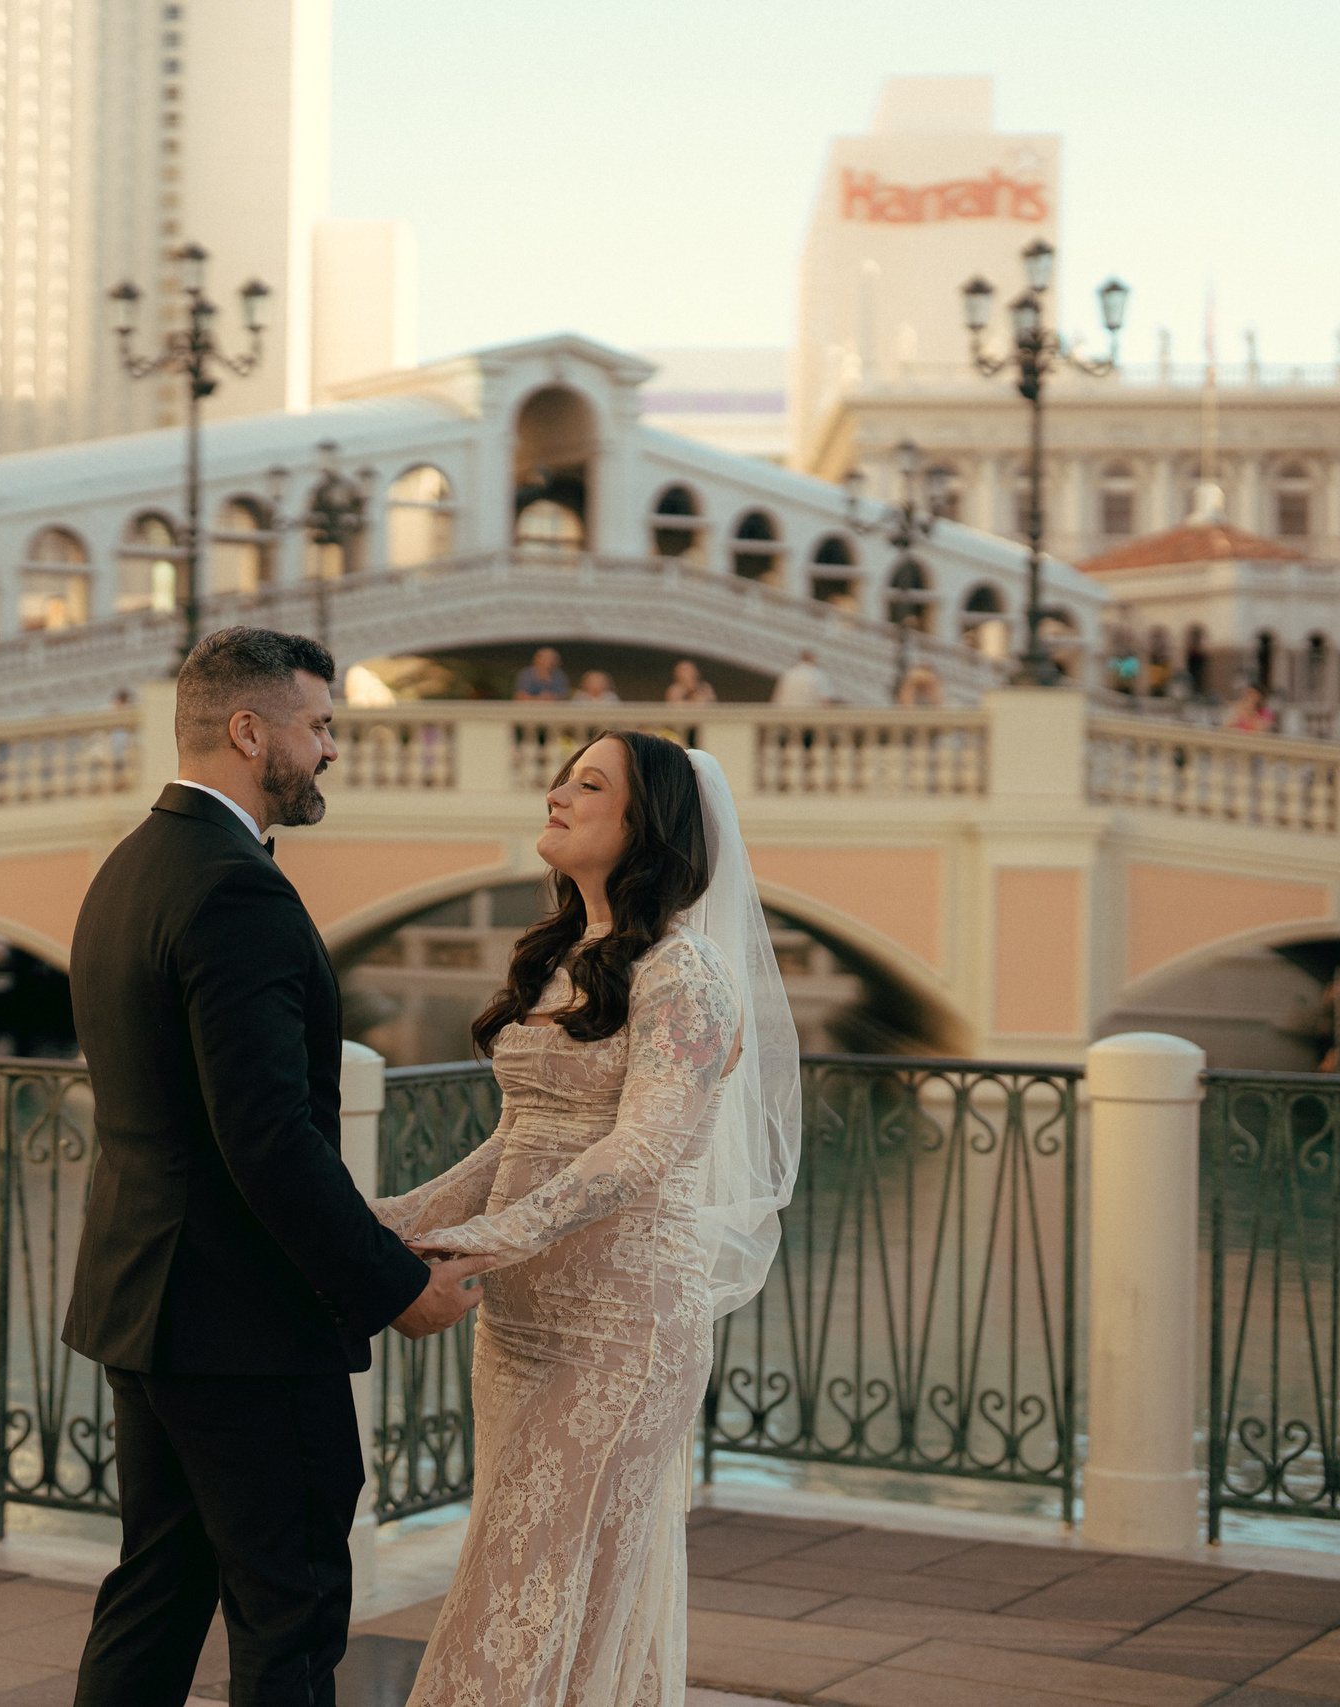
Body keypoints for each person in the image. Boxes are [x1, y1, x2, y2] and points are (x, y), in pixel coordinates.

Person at [64, 627, 488, 1707]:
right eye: (319, 725)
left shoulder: (131, 867)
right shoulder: (233, 888)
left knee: (157, 1592)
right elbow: (265, 1134)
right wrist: (393, 1286)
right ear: (250, 731)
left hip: (145, 1307)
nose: (331, 750)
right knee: (290, 1614)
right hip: (241, 1329)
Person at [374, 728, 800, 1704]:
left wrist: (484, 1239)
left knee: (522, 1579)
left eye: (588, 784)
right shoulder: (567, 956)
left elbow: (643, 1151)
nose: (556, 794)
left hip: (620, 1331)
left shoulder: (684, 974)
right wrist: (390, 1218)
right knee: (528, 1563)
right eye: (560, 777)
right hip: (519, 1329)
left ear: (644, 823)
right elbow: (518, 1140)